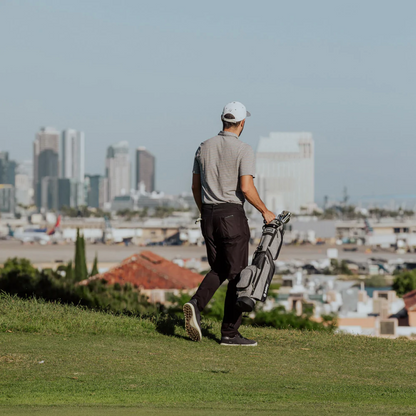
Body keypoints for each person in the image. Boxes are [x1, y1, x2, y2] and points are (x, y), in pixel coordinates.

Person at [183, 101, 275, 346]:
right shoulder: (243, 149)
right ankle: (229, 333)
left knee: (222, 269)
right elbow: (246, 187)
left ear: (222, 120)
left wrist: (205, 212)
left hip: (208, 215)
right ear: (242, 123)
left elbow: (195, 186)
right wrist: (265, 211)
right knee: (238, 275)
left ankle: (196, 305)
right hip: (232, 216)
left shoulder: (203, 147)